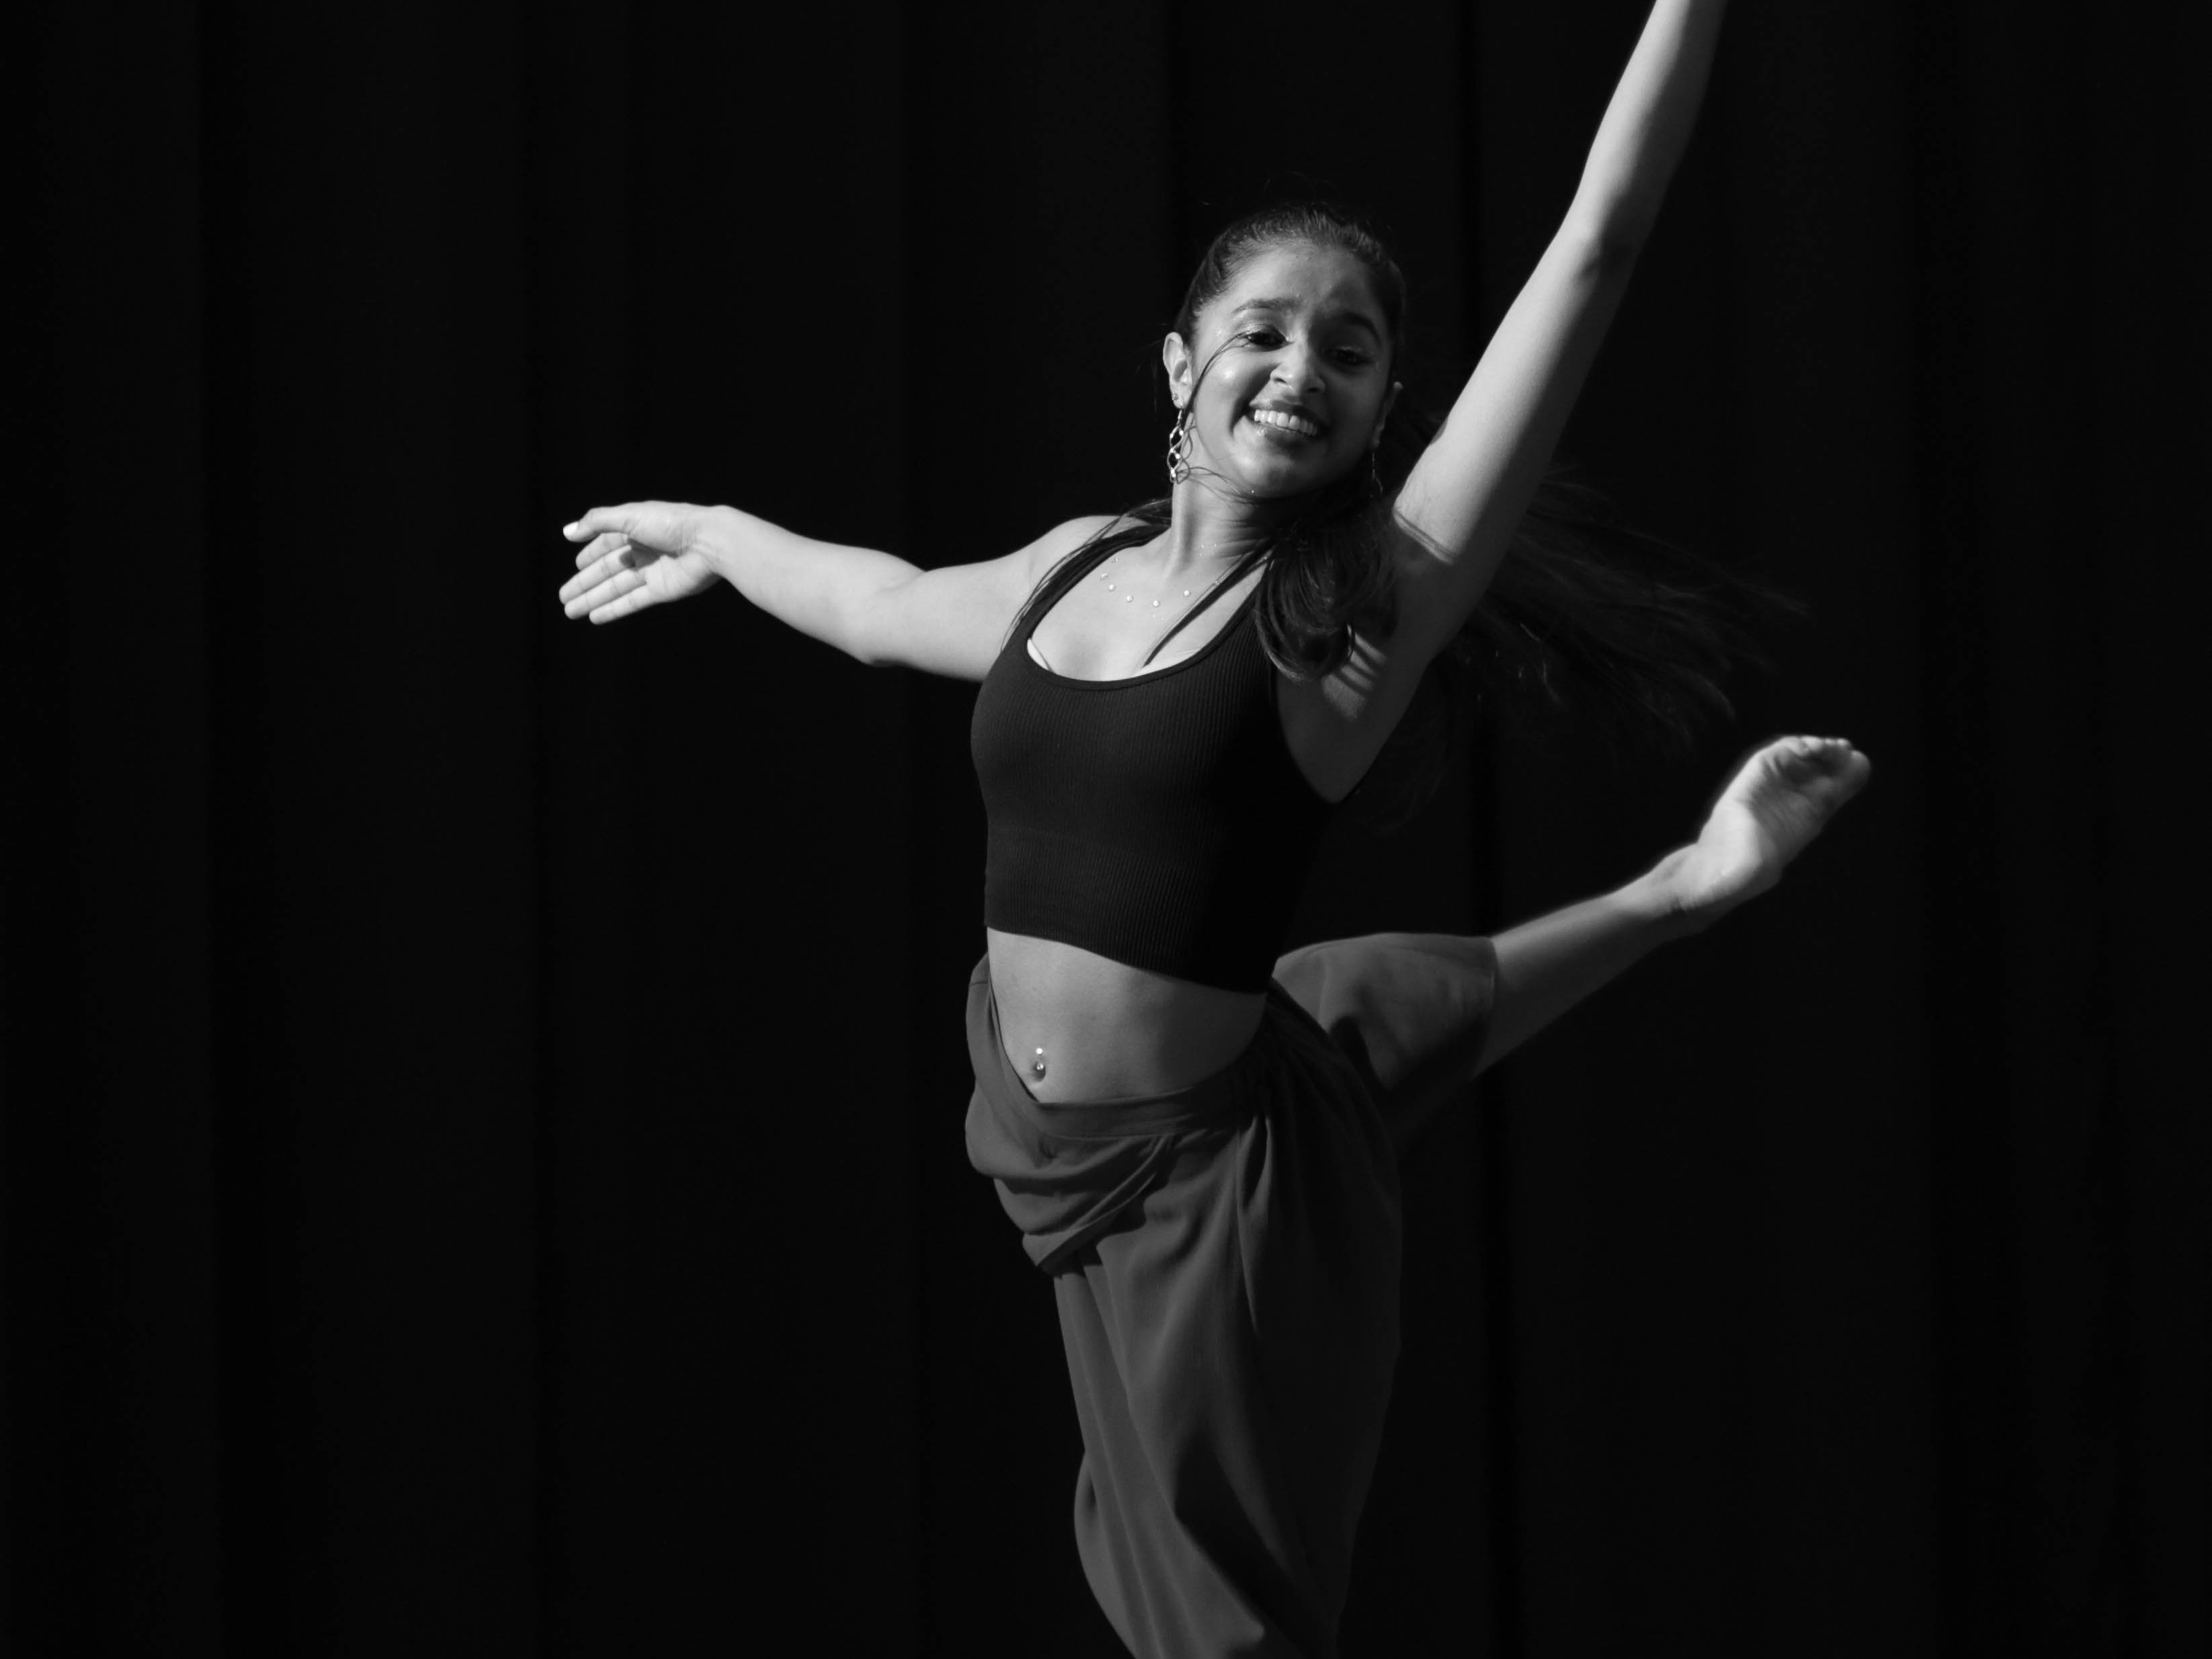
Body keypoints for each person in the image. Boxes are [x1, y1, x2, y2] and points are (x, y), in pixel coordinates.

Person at [557, 2, 1869, 1651]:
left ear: (1382, 408)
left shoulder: (1355, 617)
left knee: (1216, 1626)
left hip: (1203, 1209)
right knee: (1370, 1027)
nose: (1300, 369)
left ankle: (1686, 886)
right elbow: (882, 606)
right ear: (1179, 363)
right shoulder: (1076, 564)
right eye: (1263, 331)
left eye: (1348, 351)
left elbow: (1595, 244)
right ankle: (1686, 884)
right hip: (1060, 1160)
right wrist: (714, 532)